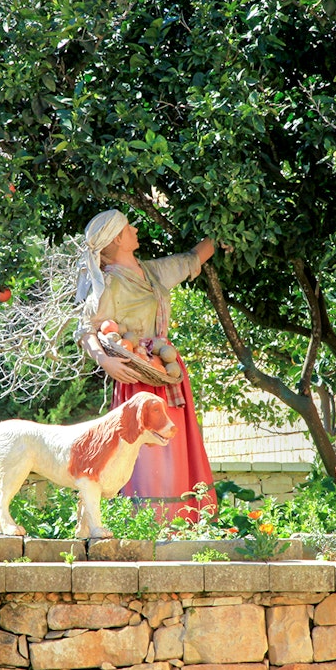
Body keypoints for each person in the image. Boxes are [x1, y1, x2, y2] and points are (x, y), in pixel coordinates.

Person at [75, 209, 218, 521]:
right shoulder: (108, 285)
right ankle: (149, 521)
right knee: (146, 453)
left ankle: (184, 519)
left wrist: (225, 231)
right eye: (129, 227)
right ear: (117, 239)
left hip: (167, 372)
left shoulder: (152, 272)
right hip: (136, 376)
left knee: (176, 442)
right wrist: (104, 360)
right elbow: (85, 331)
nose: (136, 229)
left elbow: (194, 257)